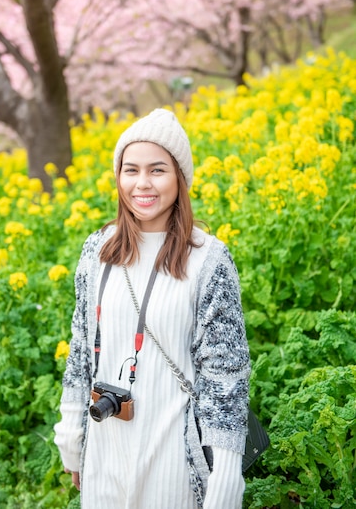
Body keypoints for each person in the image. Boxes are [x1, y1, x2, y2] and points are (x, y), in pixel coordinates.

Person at [54, 108, 250, 509]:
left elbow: (225, 372)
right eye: (131, 170)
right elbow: (79, 349)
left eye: (158, 170)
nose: (142, 183)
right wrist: (71, 435)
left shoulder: (208, 259)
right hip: (105, 453)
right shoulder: (97, 250)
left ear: (180, 177)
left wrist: (227, 471)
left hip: (174, 461)